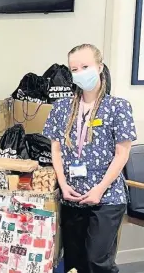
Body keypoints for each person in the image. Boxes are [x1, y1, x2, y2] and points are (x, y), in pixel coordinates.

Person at [43, 44, 137, 273]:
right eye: (74, 69)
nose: (80, 73)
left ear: (100, 67)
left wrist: (99, 189)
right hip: (72, 195)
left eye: (85, 66)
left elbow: (122, 154)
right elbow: (55, 149)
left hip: (106, 197)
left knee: (97, 260)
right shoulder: (62, 107)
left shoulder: (117, 107)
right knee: (74, 261)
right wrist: (63, 185)